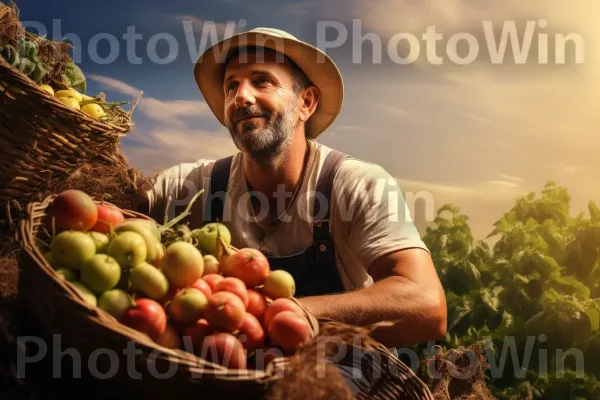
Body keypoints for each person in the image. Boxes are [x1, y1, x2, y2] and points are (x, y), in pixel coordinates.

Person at [134, 27, 446, 351]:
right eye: (231, 86)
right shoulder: (189, 187)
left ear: (306, 102)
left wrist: (274, 315)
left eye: (261, 81)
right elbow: (106, 216)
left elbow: (426, 305)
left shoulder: (356, 185)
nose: (241, 96)